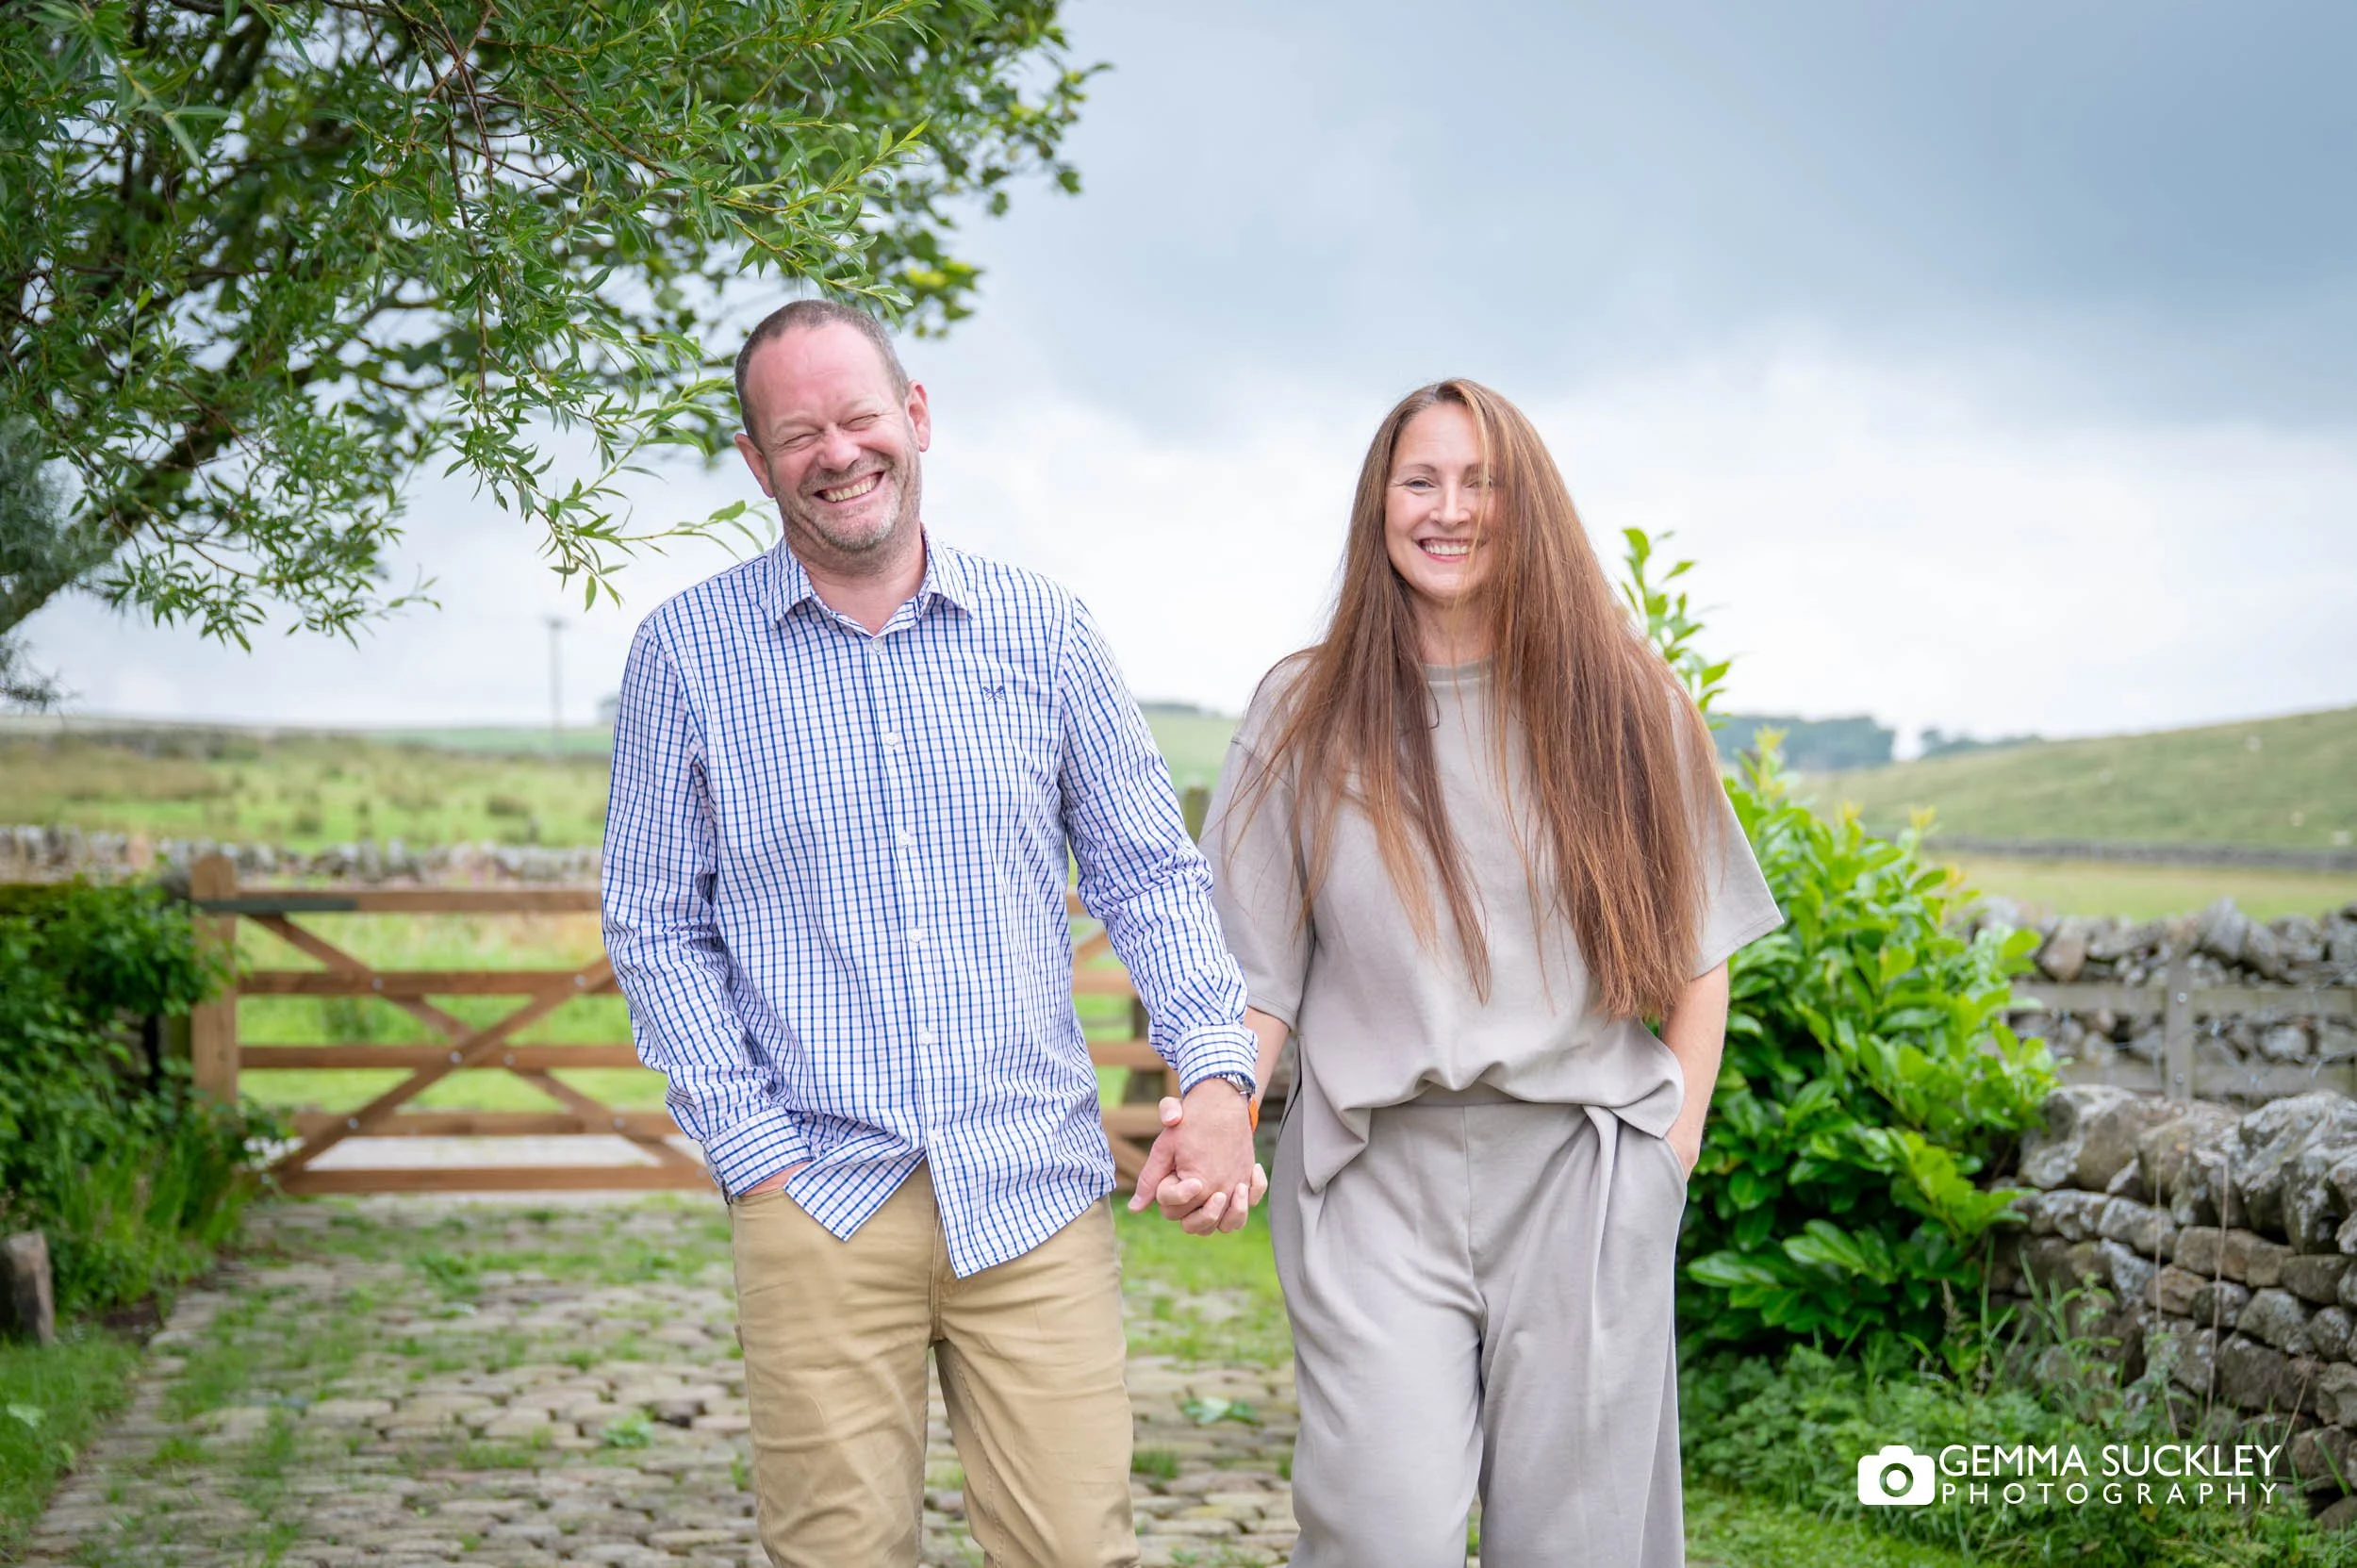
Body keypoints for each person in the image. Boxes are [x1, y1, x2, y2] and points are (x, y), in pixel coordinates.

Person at [601, 298, 1266, 1568]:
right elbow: (653, 921)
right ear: (755, 461)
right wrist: (753, 1152)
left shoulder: (1045, 631)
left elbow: (1148, 875)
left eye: (859, 416)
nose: (836, 452)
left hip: (1033, 1194)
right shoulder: (684, 656)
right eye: (797, 433)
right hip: (817, 1199)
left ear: (914, 415)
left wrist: (1219, 1072)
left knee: (1077, 1552)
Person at [1134, 378, 1783, 1566]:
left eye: (1480, 482)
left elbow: (1701, 959)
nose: (1449, 509)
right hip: (1375, 1178)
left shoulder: (1626, 700)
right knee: (1377, 1534)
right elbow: (1255, 978)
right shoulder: (1300, 708)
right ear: (1377, 504)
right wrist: (1217, 1115)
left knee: (1579, 1548)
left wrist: (1665, 1160)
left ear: (1526, 505)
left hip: (1582, 1178)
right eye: (1419, 480)